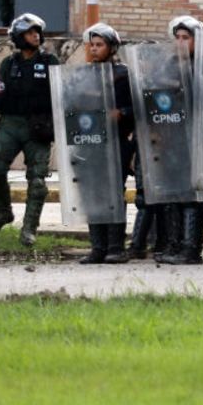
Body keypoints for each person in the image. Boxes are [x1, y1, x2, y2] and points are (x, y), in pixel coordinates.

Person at [0, 13, 57, 246]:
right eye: (30, 32)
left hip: (39, 127)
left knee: (37, 181)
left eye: (37, 32)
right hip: (11, 125)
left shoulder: (50, 62)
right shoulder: (8, 64)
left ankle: (29, 228)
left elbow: (62, 95)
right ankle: (3, 212)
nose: (36, 36)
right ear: (18, 37)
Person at [78, 23, 135, 264]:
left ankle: (116, 247)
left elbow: (138, 107)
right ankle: (97, 247)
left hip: (117, 140)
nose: (94, 49)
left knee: (113, 192)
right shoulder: (85, 74)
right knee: (93, 194)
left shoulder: (123, 74)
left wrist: (121, 112)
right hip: (91, 142)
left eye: (99, 44)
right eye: (92, 44)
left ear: (111, 47)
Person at [156, 16, 203, 265]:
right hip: (171, 137)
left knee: (192, 195)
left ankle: (191, 248)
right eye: (177, 37)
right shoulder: (167, 66)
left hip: (197, 139)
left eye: (186, 38)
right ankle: (173, 244)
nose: (180, 43)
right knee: (172, 194)